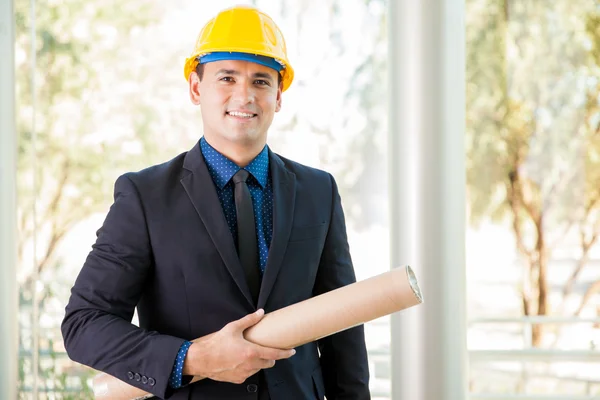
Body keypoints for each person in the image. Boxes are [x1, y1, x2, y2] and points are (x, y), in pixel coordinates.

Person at [61, 5, 370, 400]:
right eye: (227, 77)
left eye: (261, 81)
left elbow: (342, 326)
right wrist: (193, 358)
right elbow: (84, 325)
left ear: (278, 96)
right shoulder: (145, 197)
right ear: (196, 88)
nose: (245, 95)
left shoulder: (318, 190)